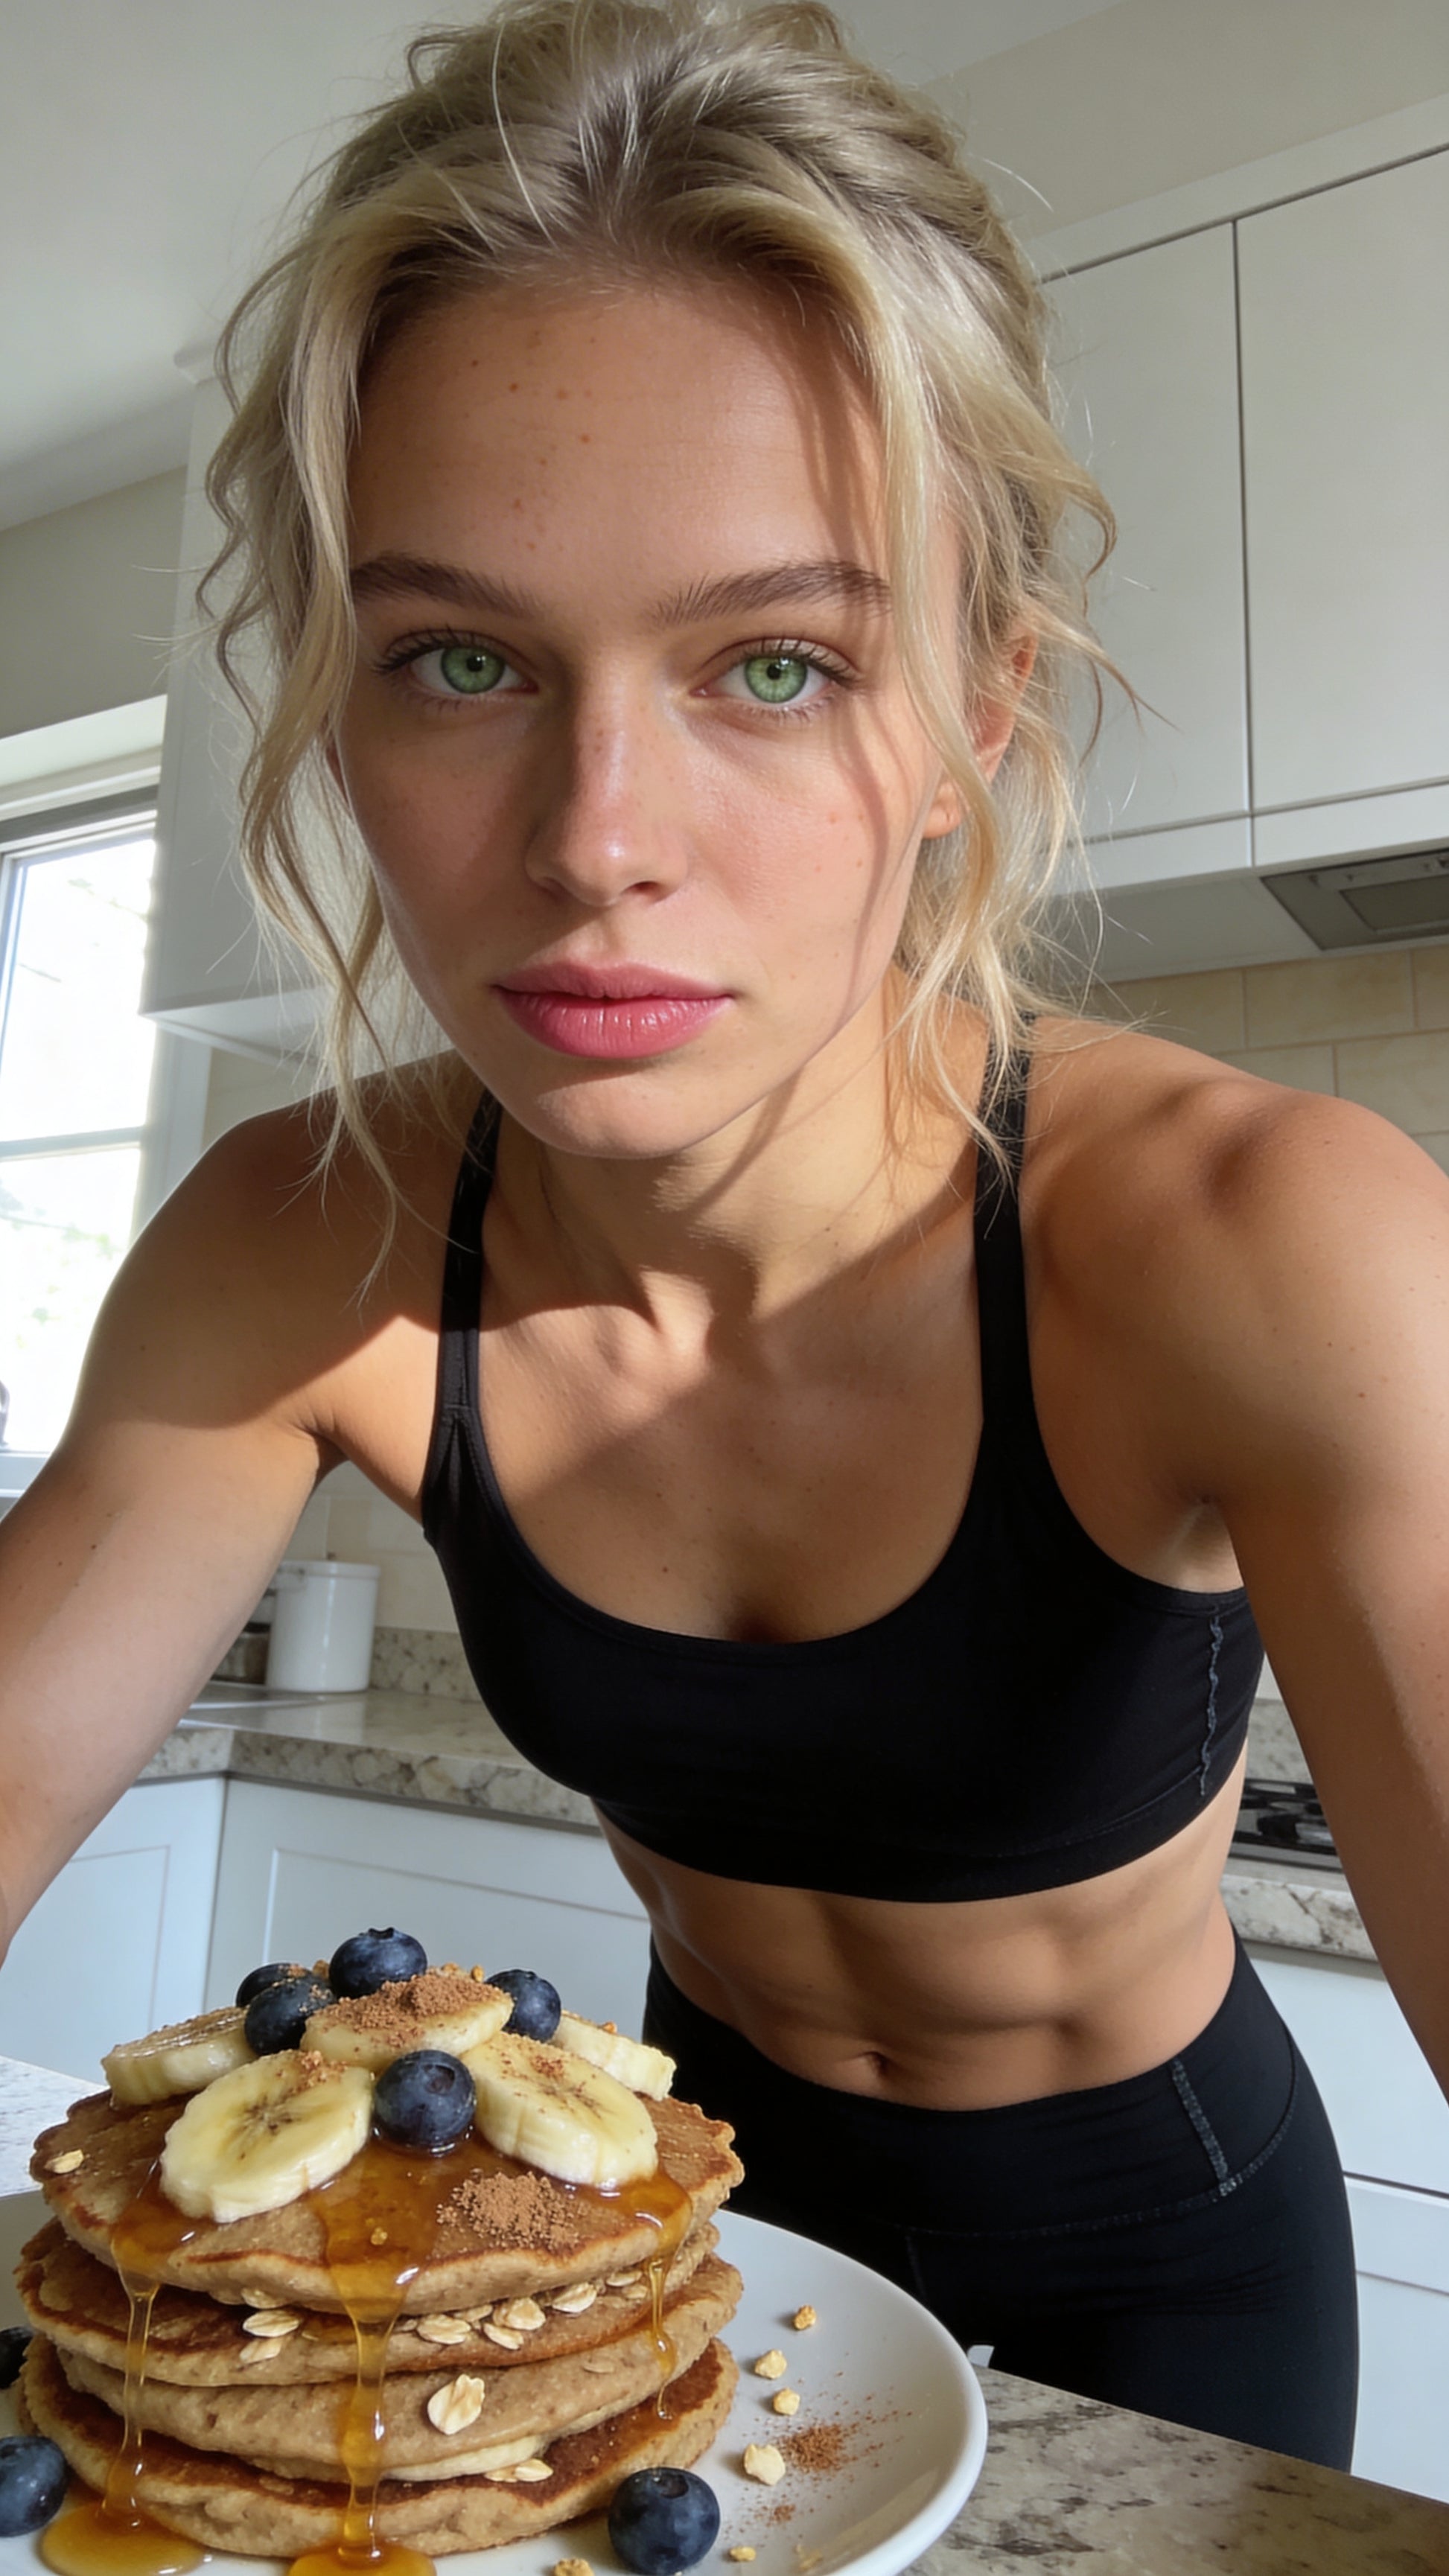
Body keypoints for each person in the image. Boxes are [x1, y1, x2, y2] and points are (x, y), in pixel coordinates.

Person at [3, 0, 1446, 2474]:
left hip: (1165, 2237)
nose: (593, 837)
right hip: (674, 2208)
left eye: (770, 663)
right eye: (463, 661)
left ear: (971, 714)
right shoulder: (303, 1237)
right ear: (342, 720)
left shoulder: (1259, 1232)